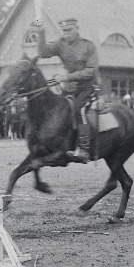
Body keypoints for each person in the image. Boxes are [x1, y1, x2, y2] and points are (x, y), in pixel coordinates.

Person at [32, 17, 98, 163]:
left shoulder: (88, 46)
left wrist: (66, 77)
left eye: (69, 30)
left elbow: (90, 71)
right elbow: (43, 53)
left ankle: (84, 149)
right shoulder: (60, 44)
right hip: (69, 88)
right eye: (64, 30)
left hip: (87, 87)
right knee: (58, 111)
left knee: (79, 110)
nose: (66, 33)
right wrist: (41, 31)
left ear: (77, 29)